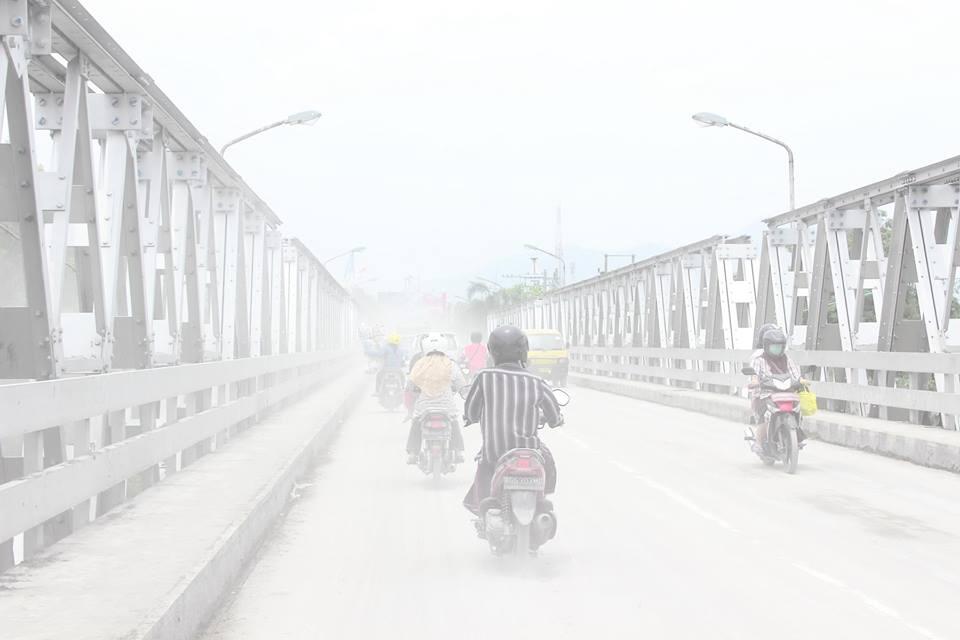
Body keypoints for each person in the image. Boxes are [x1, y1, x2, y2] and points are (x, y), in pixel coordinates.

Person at [462, 325, 564, 516]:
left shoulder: (484, 377)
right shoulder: (537, 382)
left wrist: (470, 417)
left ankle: (482, 509)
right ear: (523, 351)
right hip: (529, 452)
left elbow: (471, 411)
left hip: (494, 453)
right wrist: (556, 420)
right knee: (547, 459)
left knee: (483, 468)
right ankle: (541, 498)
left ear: (493, 352)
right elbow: (553, 415)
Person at [405, 334, 467, 464]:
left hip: (424, 407)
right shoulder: (451, 365)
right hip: (446, 407)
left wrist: (414, 392)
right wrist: (465, 394)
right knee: (454, 422)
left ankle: (413, 452)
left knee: (416, 422)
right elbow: (461, 385)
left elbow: (410, 385)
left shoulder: (420, 364)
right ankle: (459, 451)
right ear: (444, 347)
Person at [749, 327, 802, 451]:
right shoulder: (759, 360)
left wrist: (801, 380)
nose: (777, 349)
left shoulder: (787, 359)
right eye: (774, 346)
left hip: (784, 392)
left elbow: (795, 374)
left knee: (797, 408)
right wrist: (755, 381)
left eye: (779, 346)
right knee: (764, 415)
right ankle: (759, 442)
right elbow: (754, 375)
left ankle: (796, 437)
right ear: (767, 346)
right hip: (764, 394)